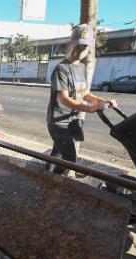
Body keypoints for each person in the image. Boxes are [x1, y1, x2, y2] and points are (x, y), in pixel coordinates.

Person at [46, 24, 117, 176]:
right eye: (79, 46)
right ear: (70, 44)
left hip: (72, 120)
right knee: (70, 157)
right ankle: (54, 178)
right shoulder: (61, 69)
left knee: (58, 151)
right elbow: (64, 98)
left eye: (86, 47)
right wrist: (89, 108)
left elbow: (84, 93)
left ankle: (47, 175)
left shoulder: (82, 68)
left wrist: (100, 101)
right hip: (58, 122)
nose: (83, 51)